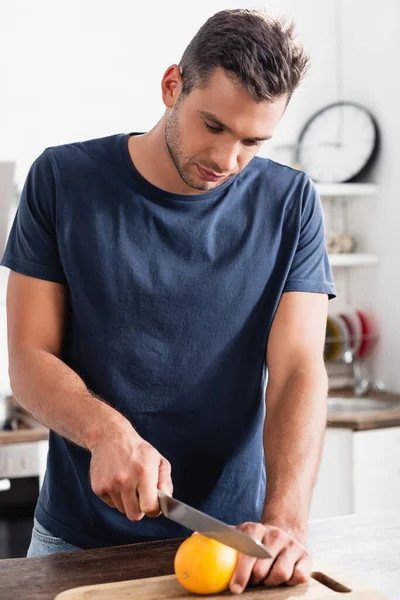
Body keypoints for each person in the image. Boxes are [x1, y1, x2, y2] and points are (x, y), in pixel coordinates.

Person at [1, 7, 336, 594]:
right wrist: (108, 433)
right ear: (172, 86)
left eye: (253, 141)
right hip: (75, 542)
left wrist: (286, 521)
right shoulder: (61, 180)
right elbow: (29, 358)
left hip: (233, 546)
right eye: (214, 126)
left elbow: (298, 371)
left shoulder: (292, 203)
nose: (228, 160)